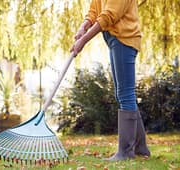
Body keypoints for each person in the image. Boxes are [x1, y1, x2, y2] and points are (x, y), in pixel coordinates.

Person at [70, 0, 150, 161]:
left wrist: (83, 40)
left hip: (125, 39)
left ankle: (126, 152)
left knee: (125, 94)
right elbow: (95, 9)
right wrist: (83, 25)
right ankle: (140, 148)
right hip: (115, 40)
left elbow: (108, 16)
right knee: (123, 94)